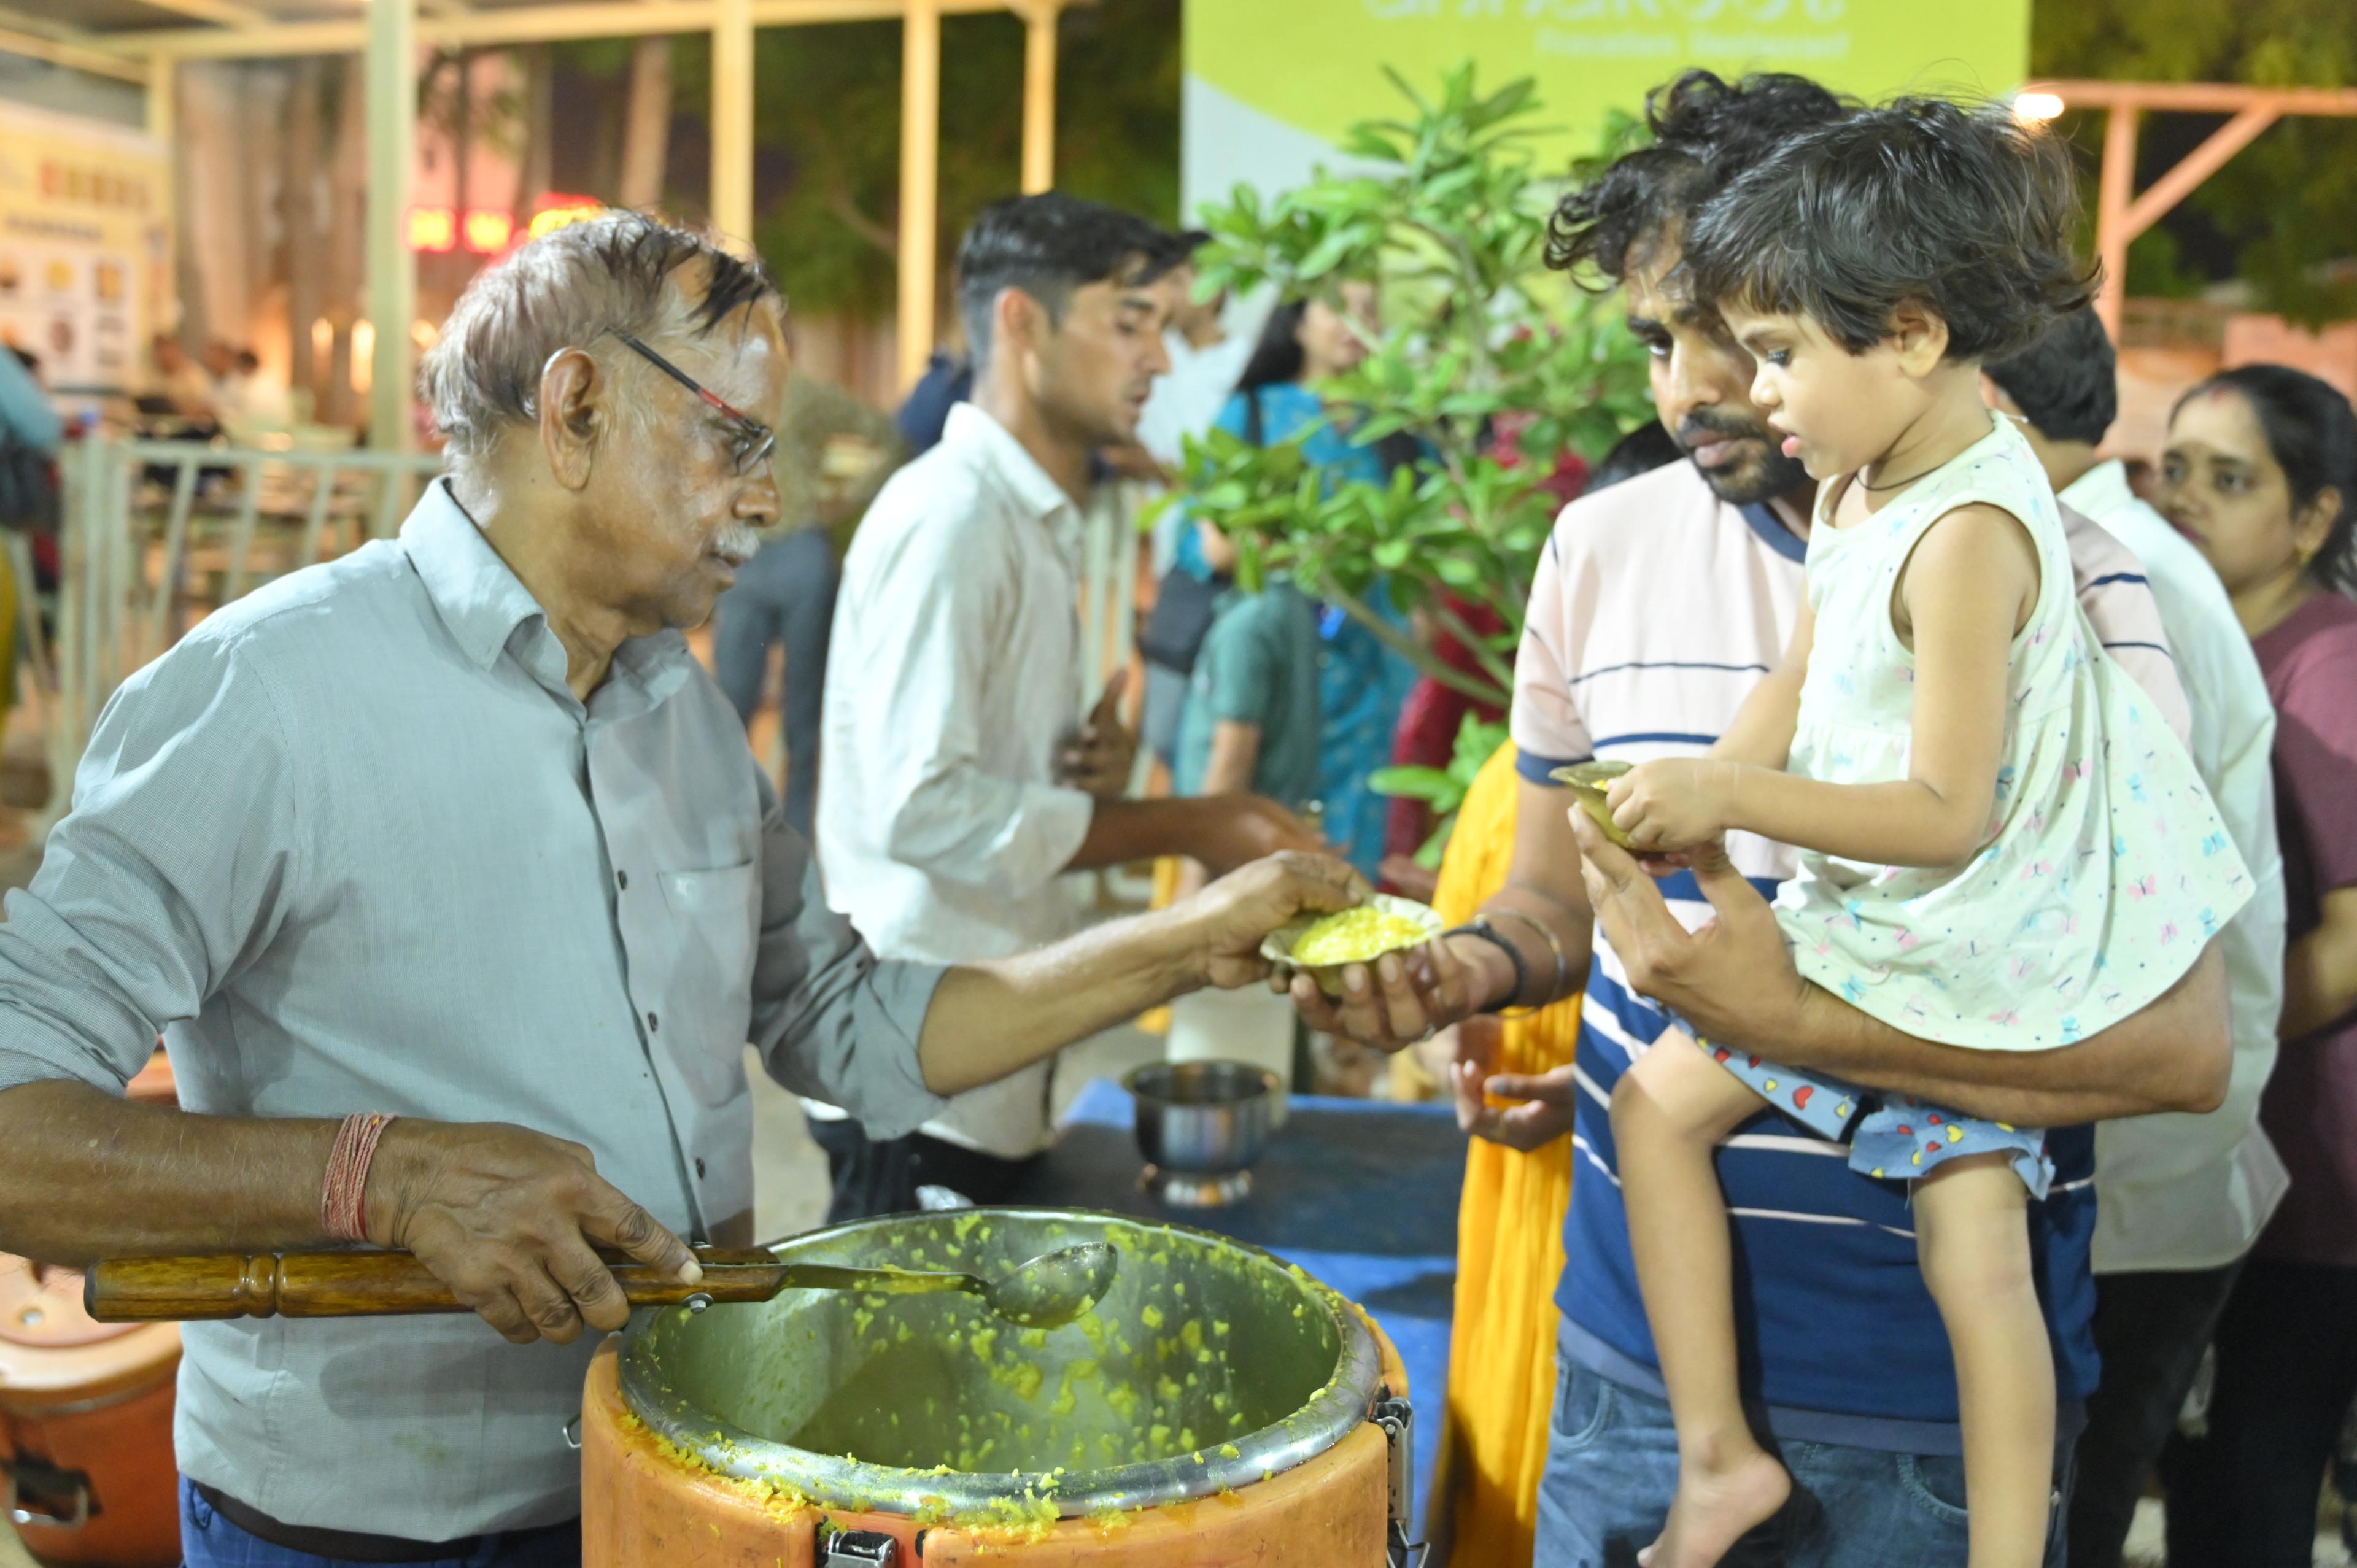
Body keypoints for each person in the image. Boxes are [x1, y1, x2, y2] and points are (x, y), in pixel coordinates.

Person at [0, 212, 1361, 1567]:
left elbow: (841, 1017)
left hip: (668, 1479)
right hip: (369, 1530)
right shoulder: (269, 694)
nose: (765, 500)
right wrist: (387, 1176)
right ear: (577, 405)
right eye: (737, 440)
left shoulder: (686, 718)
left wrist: (1189, 940)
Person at [1288, 70, 2239, 1568]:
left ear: (1883, 307)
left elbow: (2175, 1047)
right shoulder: (1604, 546)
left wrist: (1784, 1014)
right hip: (1626, 1383)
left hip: (1910, 1414)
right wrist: (1464, 970)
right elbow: (1551, 905)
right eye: (1657, 340)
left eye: (1739, 338)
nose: (1687, 388)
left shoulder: (2060, 575)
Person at [1601, 98, 2249, 1568]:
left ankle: (1845, 1505)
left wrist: (1728, 802)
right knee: (1948, 1224)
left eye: (1776, 352)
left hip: (1967, 937)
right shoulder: (1865, 477)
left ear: (1903, 333)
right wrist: (1694, 785)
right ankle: (1733, 1471)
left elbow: (1946, 816)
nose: (1749, 386)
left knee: (1951, 1240)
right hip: (1918, 923)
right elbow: (1799, 674)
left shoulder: (1968, 532)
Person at [813, 195, 1323, 1221]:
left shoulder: (1027, 515)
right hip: (918, 1074)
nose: (1160, 362)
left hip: (983, 1055)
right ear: (1021, 322)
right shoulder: (954, 516)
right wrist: (1194, 822)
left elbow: (969, 775)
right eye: (1129, 323)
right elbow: (921, 809)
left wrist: (1083, 768)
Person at [1981, 311, 2291, 1568]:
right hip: (2142, 1161)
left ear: (1981, 392)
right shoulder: (2107, 549)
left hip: (2134, 1169)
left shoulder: (2106, 566)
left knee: (2068, 1513)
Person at [2154, 364, 2357, 1568]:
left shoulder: (2324, 664)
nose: (2187, 498)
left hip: (2324, 1178)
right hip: (2265, 1152)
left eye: (2231, 479)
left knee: (2250, 1489)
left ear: (2314, 517)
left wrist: (2209, 1036)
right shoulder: (2225, 639)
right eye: (2175, 467)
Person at [1212, 283, 1423, 881]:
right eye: (1339, 306)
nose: (1357, 321)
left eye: (1371, 308)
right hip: (1293, 645)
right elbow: (1217, 542)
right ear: (1297, 323)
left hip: (1380, 650)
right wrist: (1318, 549)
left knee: (1377, 792)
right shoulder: (1255, 412)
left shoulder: (1397, 420)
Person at [710, 370, 901, 840]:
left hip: (799, 552)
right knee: (728, 705)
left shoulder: (804, 393)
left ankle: (795, 840)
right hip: (745, 556)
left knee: (805, 709)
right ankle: (729, 830)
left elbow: (888, 436)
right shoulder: (717, 394)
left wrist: (844, 501)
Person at [1168, 521, 1323, 889]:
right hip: (1265, 844)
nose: (1202, 529)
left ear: (1257, 536)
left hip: (1230, 858)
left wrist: (1192, 883)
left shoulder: (1247, 627)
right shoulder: (1292, 605)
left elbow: (1233, 757)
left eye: (1217, 523)